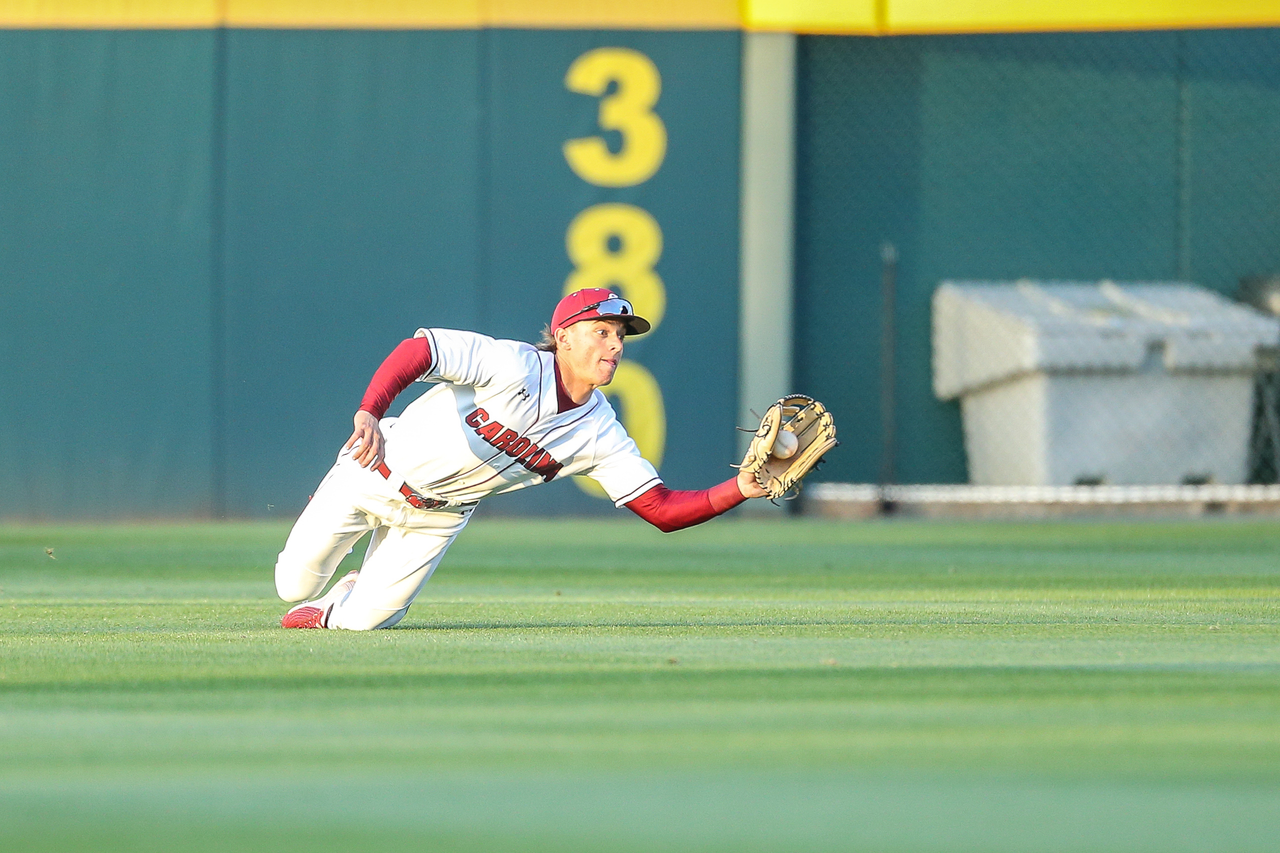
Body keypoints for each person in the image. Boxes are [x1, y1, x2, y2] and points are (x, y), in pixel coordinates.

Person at [275, 287, 769, 630]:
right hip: (372, 472)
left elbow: (661, 510)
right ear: (565, 335)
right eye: (602, 331)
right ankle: (330, 570)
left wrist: (742, 488)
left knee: (362, 623)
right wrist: (369, 411)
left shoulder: (600, 431)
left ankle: (342, 599)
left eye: (620, 336)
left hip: (438, 517)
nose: (615, 344)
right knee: (291, 583)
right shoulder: (512, 364)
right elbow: (420, 350)